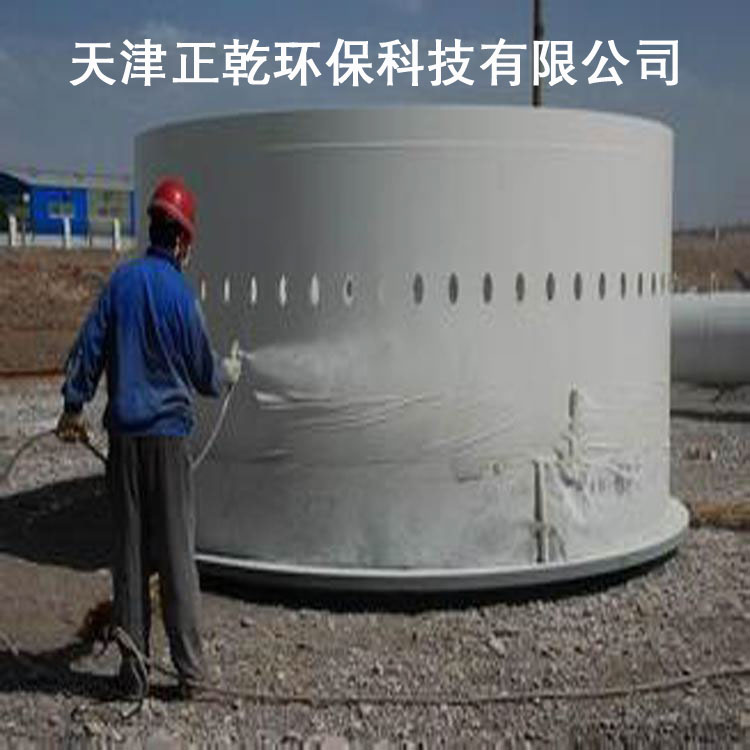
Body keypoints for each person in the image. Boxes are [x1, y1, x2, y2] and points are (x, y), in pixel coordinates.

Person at [56, 177, 241, 699]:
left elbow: (89, 346)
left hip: (124, 444)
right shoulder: (182, 297)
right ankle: (190, 674)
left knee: (130, 557)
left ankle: (134, 674)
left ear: (153, 228)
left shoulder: (122, 283)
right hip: (168, 443)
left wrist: (74, 405)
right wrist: (227, 374)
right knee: (177, 558)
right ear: (181, 239)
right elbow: (205, 375)